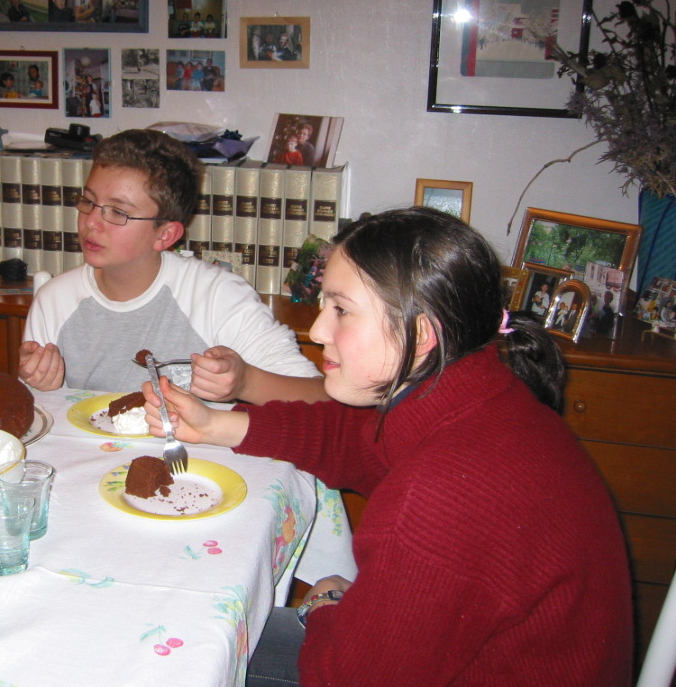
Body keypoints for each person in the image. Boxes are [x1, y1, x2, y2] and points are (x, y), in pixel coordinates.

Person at [142, 206, 633, 687]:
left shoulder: (442, 496)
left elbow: (340, 679)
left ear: (421, 333)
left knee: (179, 651)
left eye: (341, 310)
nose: (318, 330)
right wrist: (216, 425)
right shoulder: (482, 395)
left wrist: (324, 602)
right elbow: (354, 440)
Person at [18, 129, 326, 403]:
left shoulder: (217, 296)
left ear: (165, 235)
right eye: (88, 202)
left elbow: (320, 399)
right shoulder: (55, 299)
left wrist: (245, 382)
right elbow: (40, 417)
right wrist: (42, 388)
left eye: (118, 212)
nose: (91, 223)